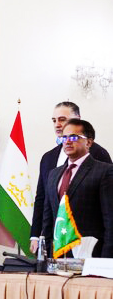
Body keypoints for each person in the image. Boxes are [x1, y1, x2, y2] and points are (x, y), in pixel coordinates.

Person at [30, 101, 111, 254]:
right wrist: (39, 239)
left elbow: (109, 214)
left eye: (62, 119)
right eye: (54, 120)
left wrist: (107, 257)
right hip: (58, 248)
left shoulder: (100, 158)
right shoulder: (50, 163)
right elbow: (43, 201)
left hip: (90, 248)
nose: (57, 124)